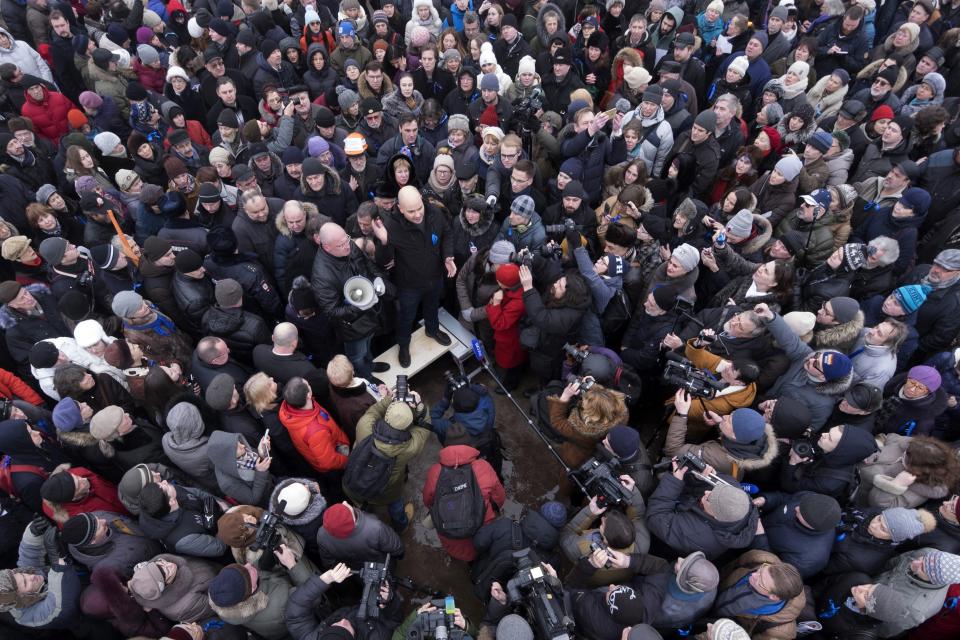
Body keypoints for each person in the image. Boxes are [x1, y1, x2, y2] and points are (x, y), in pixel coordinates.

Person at [371, 186, 454, 367]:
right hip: (409, 285)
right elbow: (382, 262)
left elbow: (447, 233)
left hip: (435, 276)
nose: (417, 215)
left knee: (432, 308)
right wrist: (384, 241)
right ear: (400, 208)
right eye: (411, 211)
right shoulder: (391, 226)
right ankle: (403, 345)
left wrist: (448, 256)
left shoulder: (434, 213)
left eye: (419, 208)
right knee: (406, 317)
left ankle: (432, 330)